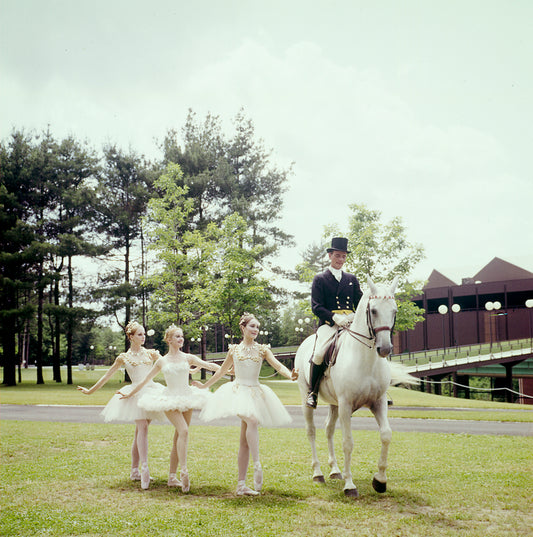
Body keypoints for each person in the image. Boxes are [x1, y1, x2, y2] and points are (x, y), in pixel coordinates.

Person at [193, 313, 298, 496]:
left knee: (244, 441)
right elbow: (221, 372)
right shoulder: (234, 350)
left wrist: (291, 375)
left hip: (255, 392)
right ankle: (257, 465)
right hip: (237, 392)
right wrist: (204, 385)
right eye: (252, 326)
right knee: (253, 419)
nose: (255, 330)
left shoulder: (263, 350)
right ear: (243, 328)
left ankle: (241, 485)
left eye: (257, 327)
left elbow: (278, 366)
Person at [118, 324, 220, 493]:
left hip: (187, 397)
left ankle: (172, 477)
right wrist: (129, 394)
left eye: (182, 337)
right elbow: (144, 381)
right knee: (184, 430)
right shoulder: (161, 361)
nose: (181, 339)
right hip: (169, 399)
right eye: (178, 337)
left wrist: (229, 370)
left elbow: (210, 366)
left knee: (179, 436)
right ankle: (184, 470)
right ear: (169, 339)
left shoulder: (188, 357)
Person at [77, 321, 165, 490]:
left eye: (144, 334)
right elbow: (106, 377)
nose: (143, 337)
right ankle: (144, 468)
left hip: (151, 392)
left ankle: (134, 471)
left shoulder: (151, 354)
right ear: (131, 337)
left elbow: (168, 365)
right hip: (134, 394)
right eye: (139, 334)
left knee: (140, 431)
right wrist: (89, 391)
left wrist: (189, 370)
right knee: (143, 429)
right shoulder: (123, 357)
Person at [306, 237, 363, 408]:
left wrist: (354, 316)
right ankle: (313, 392)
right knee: (318, 354)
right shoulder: (320, 279)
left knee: (370, 345)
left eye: (344, 256)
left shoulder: (352, 278)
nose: (341, 260)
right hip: (329, 324)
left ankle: (379, 389)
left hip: (351, 322)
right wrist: (334, 317)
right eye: (337, 256)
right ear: (330, 256)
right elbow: (316, 306)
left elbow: (360, 303)